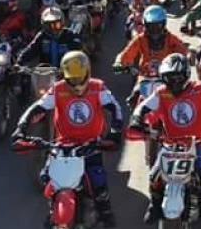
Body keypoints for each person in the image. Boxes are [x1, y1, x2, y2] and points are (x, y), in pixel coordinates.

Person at [12, 51, 122, 228]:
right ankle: (53, 211)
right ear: (65, 76)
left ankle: (106, 214)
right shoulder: (58, 89)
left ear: (87, 72)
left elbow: (114, 108)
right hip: (63, 145)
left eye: (80, 77)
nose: (76, 82)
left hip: (91, 144)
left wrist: (115, 133)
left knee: (97, 180)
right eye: (72, 78)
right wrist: (21, 129)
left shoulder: (98, 87)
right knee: (48, 177)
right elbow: (38, 107)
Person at [130, 53, 201, 228]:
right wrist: (136, 121)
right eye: (168, 78)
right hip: (170, 143)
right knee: (155, 173)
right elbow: (143, 107)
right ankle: (155, 203)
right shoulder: (162, 92)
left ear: (186, 74)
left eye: (177, 78)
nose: (173, 82)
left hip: (196, 143)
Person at [113, 5, 188, 106]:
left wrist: (184, 59)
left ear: (164, 24)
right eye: (151, 26)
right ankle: (136, 114)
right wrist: (119, 62)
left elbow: (182, 51)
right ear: (146, 25)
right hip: (144, 76)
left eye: (158, 26)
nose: (155, 30)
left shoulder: (171, 39)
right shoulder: (140, 39)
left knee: (178, 101)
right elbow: (126, 53)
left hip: (166, 77)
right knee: (134, 98)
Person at [17, 7, 81, 70]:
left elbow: (79, 53)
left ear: (62, 22)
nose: (54, 29)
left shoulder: (70, 35)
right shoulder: (42, 36)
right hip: (46, 73)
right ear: (44, 25)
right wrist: (19, 62)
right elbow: (30, 50)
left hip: (66, 72)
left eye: (57, 24)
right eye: (50, 25)